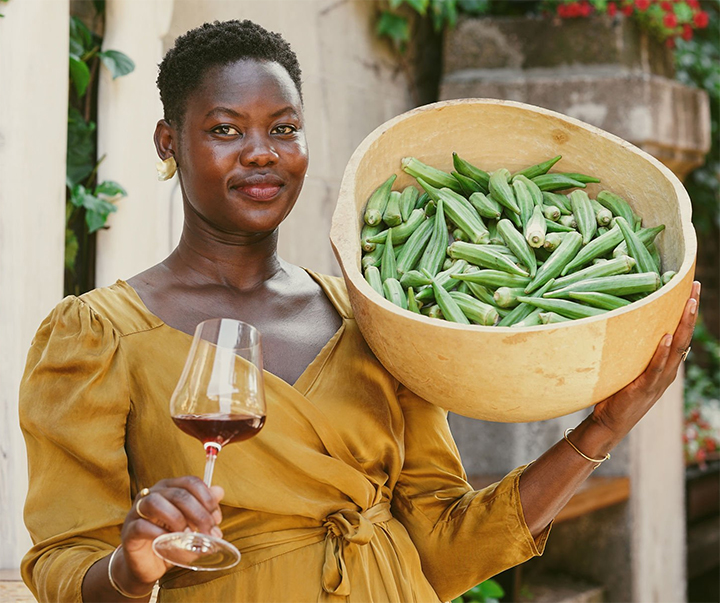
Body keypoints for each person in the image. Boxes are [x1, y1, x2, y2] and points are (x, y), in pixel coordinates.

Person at [19, 19, 700, 603]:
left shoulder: (372, 317)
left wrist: (604, 428)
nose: (261, 151)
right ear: (169, 143)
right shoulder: (97, 335)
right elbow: (60, 562)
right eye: (225, 129)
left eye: (283, 128)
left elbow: (444, 545)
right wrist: (133, 566)